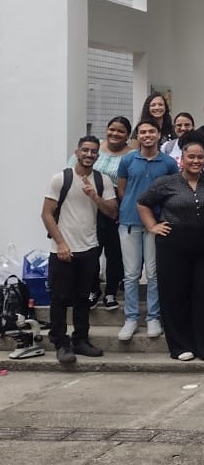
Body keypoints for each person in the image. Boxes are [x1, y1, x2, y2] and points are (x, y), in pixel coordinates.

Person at [137, 133, 204, 362]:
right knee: (175, 295)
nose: (196, 161)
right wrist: (153, 226)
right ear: (182, 159)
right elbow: (143, 203)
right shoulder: (167, 183)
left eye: (200, 157)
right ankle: (180, 346)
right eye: (191, 157)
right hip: (173, 246)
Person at [41, 135, 118, 365]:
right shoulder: (60, 178)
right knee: (60, 298)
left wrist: (94, 195)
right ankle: (60, 343)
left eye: (94, 152)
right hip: (62, 249)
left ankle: (81, 340)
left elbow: (112, 212)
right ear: (77, 152)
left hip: (90, 247)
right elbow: (46, 214)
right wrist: (61, 243)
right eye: (85, 150)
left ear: (98, 155)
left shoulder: (101, 179)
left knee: (84, 298)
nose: (89, 155)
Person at [116, 119, 179, 341]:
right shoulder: (127, 160)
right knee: (131, 274)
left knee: (153, 274)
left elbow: (173, 193)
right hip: (129, 222)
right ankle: (131, 318)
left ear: (159, 134)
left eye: (151, 131)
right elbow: (123, 190)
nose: (147, 135)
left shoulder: (169, 163)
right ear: (138, 135)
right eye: (143, 132)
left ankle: (153, 317)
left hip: (157, 225)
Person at [70, 115, 132, 312]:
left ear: (127, 135)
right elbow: (72, 172)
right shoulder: (93, 150)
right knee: (92, 251)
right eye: (112, 129)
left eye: (121, 131)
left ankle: (111, 291)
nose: (115, 134)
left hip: (117, 207)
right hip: (88, 207)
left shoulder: (132, 154)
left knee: (115, 252)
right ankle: (93, 290)